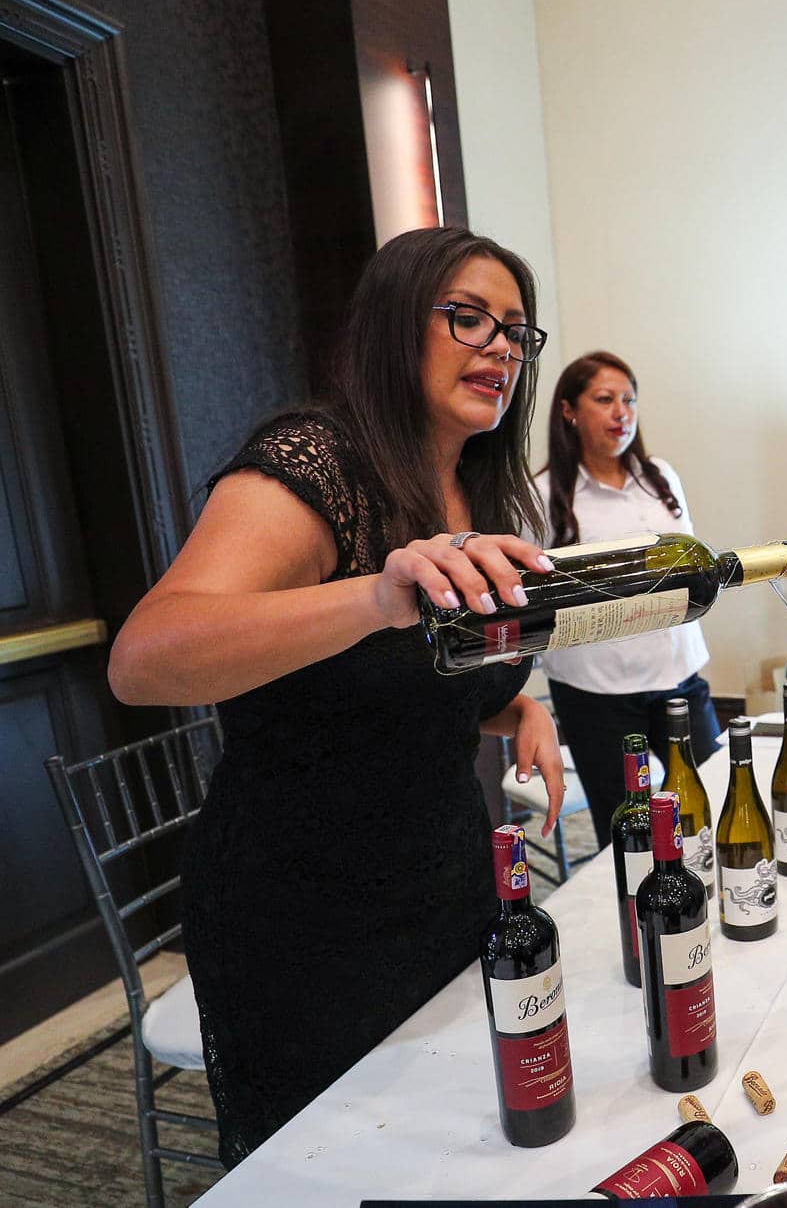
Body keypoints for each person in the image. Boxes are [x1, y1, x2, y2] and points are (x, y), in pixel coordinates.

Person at [108, 227, 565, 1166]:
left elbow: (396, 693)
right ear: (397, 325)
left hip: (440, 879)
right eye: (468, 318)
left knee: (446, 1151)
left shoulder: (481, 488)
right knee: (328, 1168)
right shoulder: (316, 461)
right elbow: (145, 658)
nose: (500, 349)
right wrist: (371, 596)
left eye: (517, 332)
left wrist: (519, 704)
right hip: (302, 914)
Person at [534, 350, 722, 846]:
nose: (622, 413)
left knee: (712, 803)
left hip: (677, 672)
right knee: (629, 832)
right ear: (569, 410)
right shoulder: (544, 492)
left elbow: (692, 567)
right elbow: (532, 597)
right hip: (598, 690)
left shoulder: (659, 475)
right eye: (604, 399)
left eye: (629, 400)